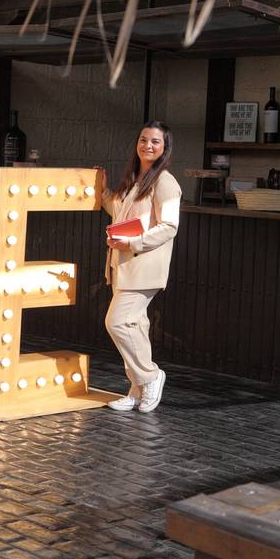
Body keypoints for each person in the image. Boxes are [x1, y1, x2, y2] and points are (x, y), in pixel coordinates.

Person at [99, 120, 181, 413]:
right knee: (136, 326)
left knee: (118, 322)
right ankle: (136, 389)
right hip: (123, 266)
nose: (148, 145)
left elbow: (170, 226)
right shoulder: (135, 179)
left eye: (155, 142)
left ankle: (150, 376)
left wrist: (132, 245)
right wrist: (106, 193)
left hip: (144, 266)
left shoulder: (165, 182)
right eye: (144, 140)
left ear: (164, 147)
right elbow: (121, 214)